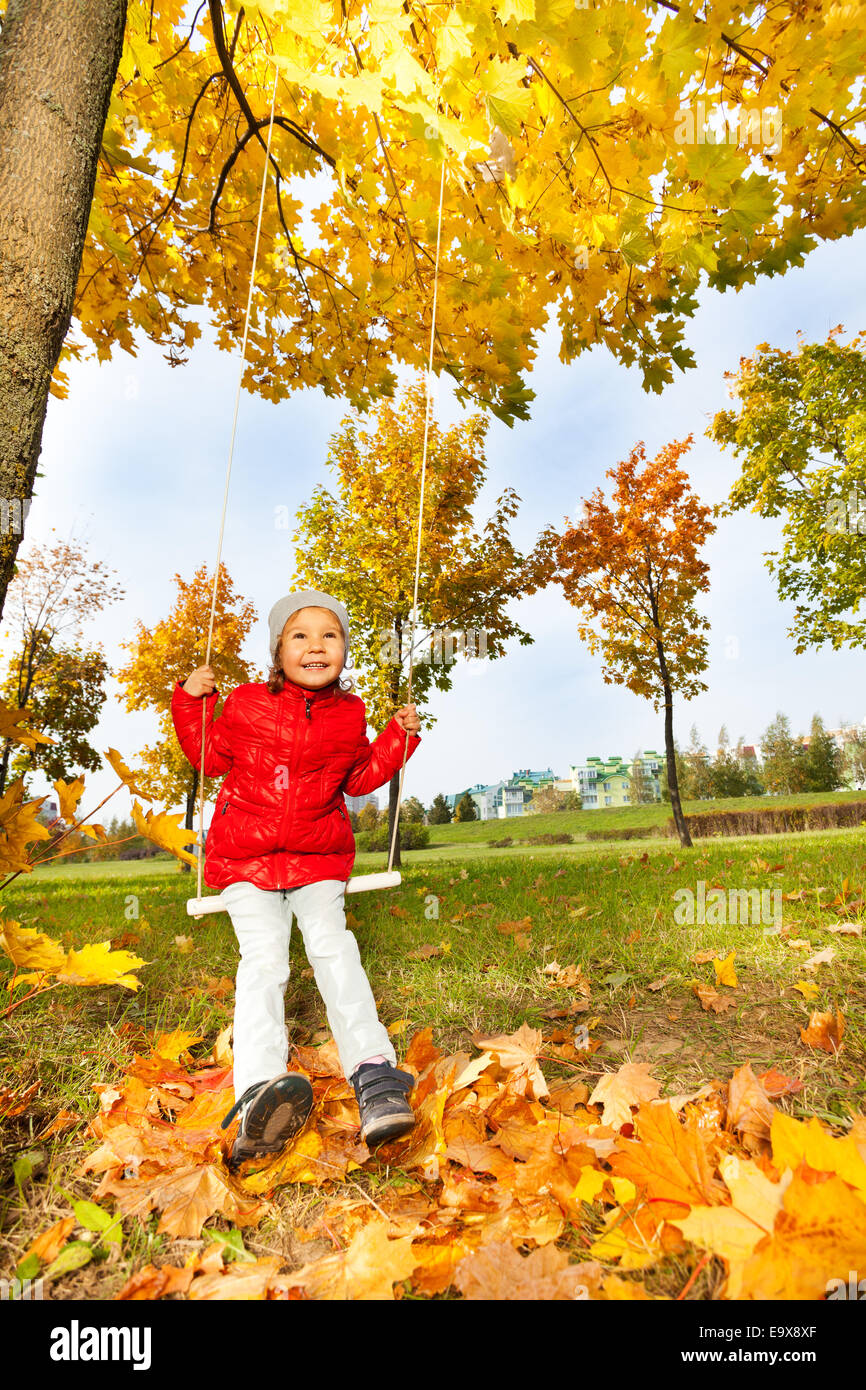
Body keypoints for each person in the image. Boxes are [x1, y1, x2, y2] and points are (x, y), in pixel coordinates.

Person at [171, 589, 422, 1168]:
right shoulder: (246, 703)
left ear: (344, 650)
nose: (315, 646)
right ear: (277, 650)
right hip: (246, 860)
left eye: (329, 635)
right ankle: (259, 1089)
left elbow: (359, 778)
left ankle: (375, 1074)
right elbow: (208, 756)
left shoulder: (350, 712)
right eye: (300, 636)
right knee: (265, 962)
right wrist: (191, 701)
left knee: (333, 947)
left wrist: (397, 739)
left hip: (316, 857)